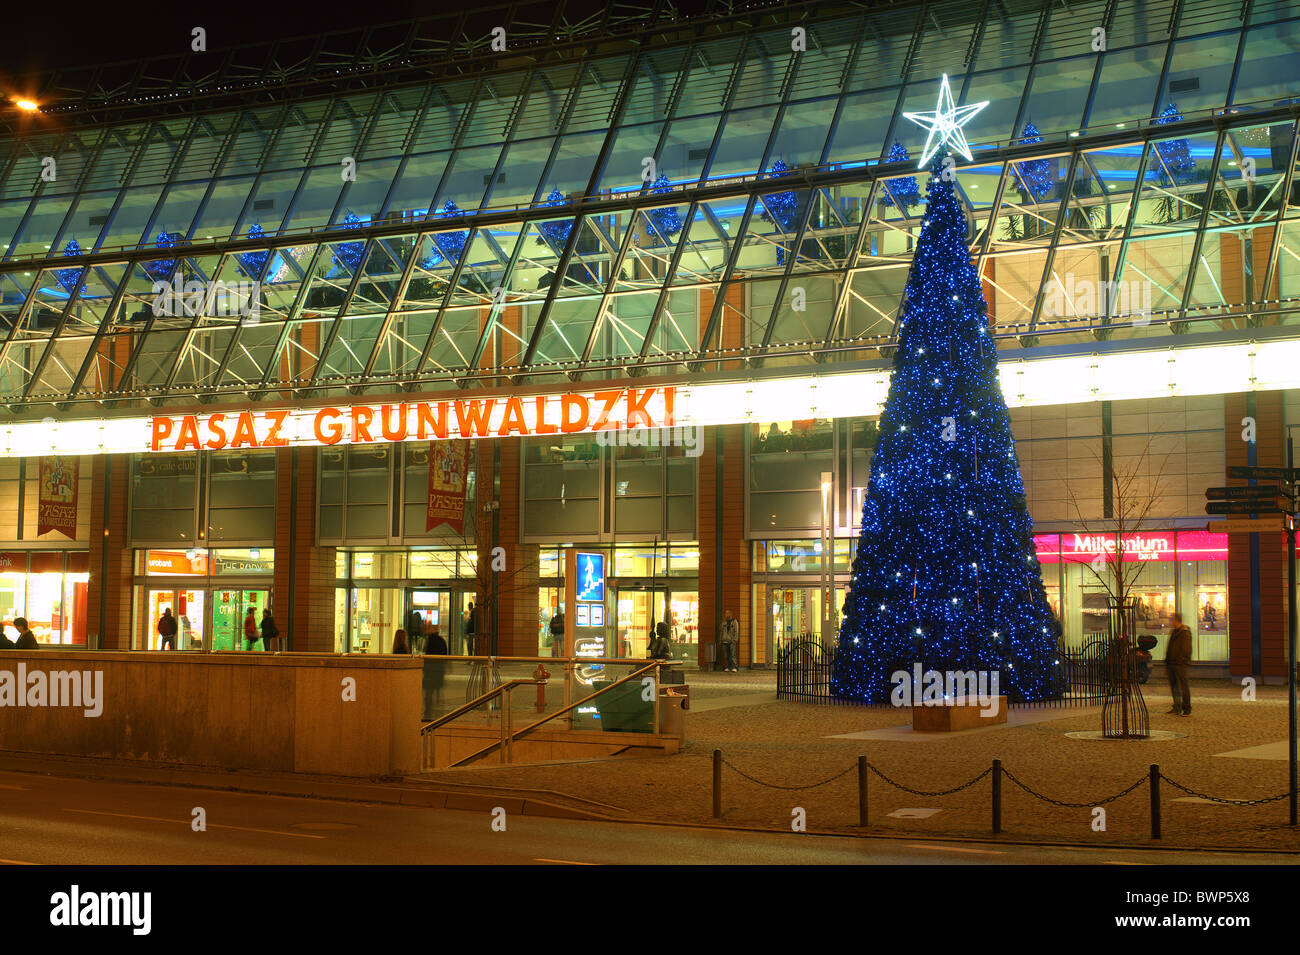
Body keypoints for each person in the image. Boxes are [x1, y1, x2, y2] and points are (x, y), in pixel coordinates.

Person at [1165, 612, 1192, 716]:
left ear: (1176, 620)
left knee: (1183, 686)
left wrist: (1182, 661)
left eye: (1171, 620)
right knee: (1174, 686)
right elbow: (1170, 647)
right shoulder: (1175, 631)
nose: (1170, 622)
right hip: (1171, 663)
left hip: (1180, 664)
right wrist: (1167, 661)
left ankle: (1186, 708)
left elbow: (1186, 649)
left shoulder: (1184, 632)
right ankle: (1177, 707)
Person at [421, 627, 449, 720]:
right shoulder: (441, 641)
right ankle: (439, 713)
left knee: (429, 693)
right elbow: (445, 655)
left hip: (430, 670)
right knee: (438, 692)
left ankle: (428, 712)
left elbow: (426, 655)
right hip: (438, 669)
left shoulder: (429, 641)